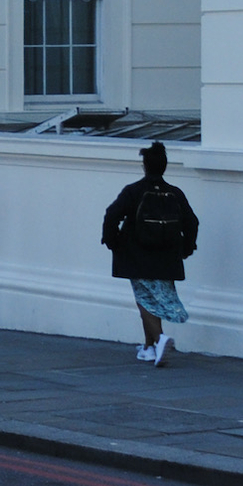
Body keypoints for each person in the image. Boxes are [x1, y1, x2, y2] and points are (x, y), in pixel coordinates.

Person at [101, 141, 198, 366]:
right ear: (164, 166)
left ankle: (160, 338)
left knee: (144, 300)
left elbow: (111, 215)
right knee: (152, 299)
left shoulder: (133, 191)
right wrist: (186, 248)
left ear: (144, 166)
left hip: (136, 254)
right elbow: (192, 222)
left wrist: (113, 242)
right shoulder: (175, 193)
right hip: (167, 256)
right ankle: (149, 348)